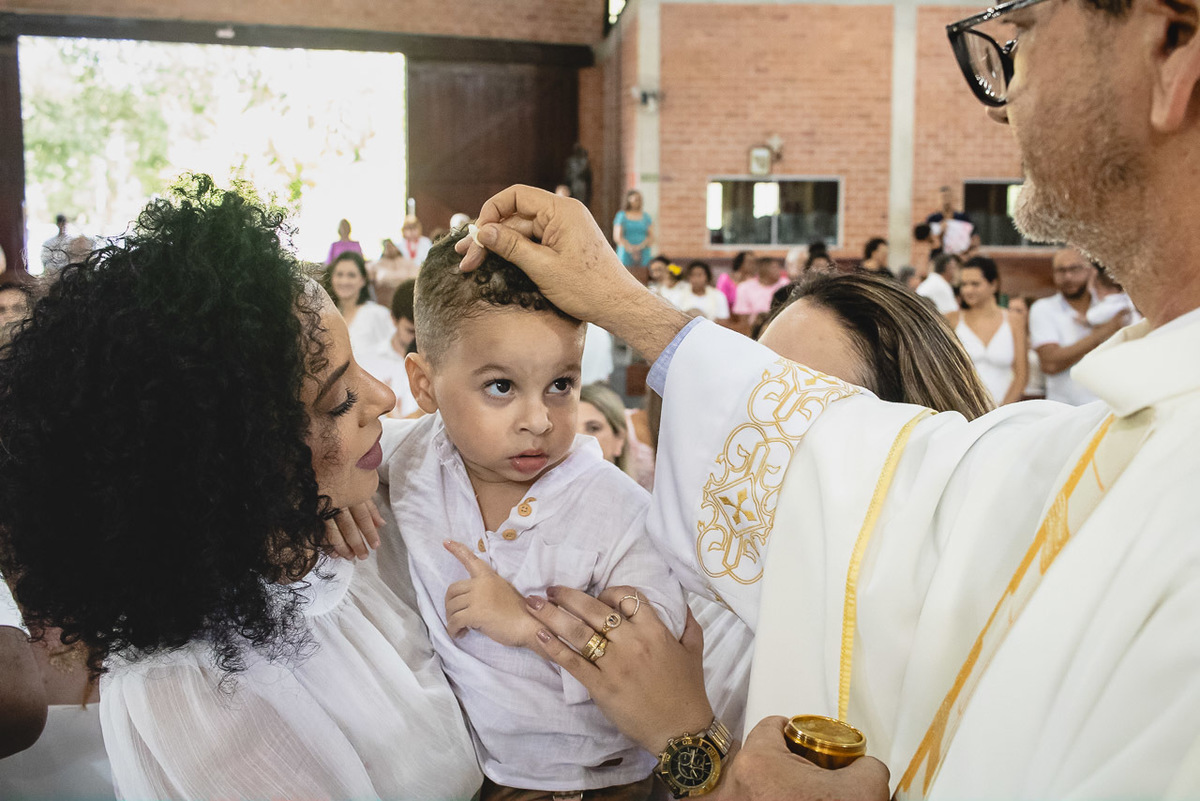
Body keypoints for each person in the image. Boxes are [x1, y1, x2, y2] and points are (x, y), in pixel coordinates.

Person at [456, 10, 1200, 785]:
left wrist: (698, 752)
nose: (999, 95)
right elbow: (895, 487)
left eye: (1028, 28)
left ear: (1172, 45)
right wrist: (628, 305)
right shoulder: (1133, 436)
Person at [0, 177, 481, 799]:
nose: (385, 399)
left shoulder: (339, 508)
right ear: (240, 463)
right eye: (339, 401)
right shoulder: (189, 688)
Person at [382, 230, 685, 799]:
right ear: (424, 385)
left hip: (597, 784)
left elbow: (656, 646)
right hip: (479, 779)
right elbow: (318, 456)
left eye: (560, 385)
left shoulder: (616, 507)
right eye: (500, 386)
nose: (539, 420)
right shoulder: (411, 463)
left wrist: (528, 623)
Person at [1028, 248, 1125, 405]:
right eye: (1061, 270)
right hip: (1064, 410)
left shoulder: (1111, 304)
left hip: (1109, 407)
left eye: (1075, 269)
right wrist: (1100, 334)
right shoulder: (1043, 309)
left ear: (1091, 271)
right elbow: (1050, 364)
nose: (1068, 277)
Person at [947, 256, 1028, 406]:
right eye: (964, 284)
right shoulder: (951, 320)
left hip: (1005, 411)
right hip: (963, 410)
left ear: (994, 284)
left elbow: (1021, 375)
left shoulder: (1014, 320)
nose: (968, 290)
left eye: (975, 284)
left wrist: (1001, 412)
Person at [357, 278, 420, 418]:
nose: (417, 339)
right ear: (393, 319)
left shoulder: (437, 364)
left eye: (421, 332)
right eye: (410, 331)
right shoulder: (367, 362)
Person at [323, 250, 395, 357]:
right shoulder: (326, 317)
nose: (344, 281)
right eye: (339, 275)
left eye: (351, 275)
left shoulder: (376, 314)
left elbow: (395, 351)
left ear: (362, 280)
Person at [732, 255, 788, 327]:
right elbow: (742, 318)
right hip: (753, 329)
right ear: (763, 269)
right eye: (774, 267)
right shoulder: (744, 288)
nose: (779, 271)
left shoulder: (785, 285)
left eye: (778, 267)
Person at [368, 238, 419, 309]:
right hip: (385, 299)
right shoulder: (376, 265)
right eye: (387, 247)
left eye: (391, 246)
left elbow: (415, 276)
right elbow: (380, 277)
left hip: (408, 297)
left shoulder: (407, 262)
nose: (390, 249)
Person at [924, 186, 975, 257]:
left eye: (948, 197)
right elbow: (929, 241)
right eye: (943, 197)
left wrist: (964, 250)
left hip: (958, 256)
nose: (945, 200)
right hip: (938, 256)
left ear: (952, 198)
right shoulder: (933, 219)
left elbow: (973, 239)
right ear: (938, 199)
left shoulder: (962, 218)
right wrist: (940, 232)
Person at [613, 190, 654, 268]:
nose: (637, 202)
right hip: (626, 250)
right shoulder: (622, 215)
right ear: (628, 200)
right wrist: (630, 248)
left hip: (643, 249)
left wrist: (640, 247)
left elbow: (651, 236)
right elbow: (618, 237)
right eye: (635, 199)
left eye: (639, 199)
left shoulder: (646, 217)